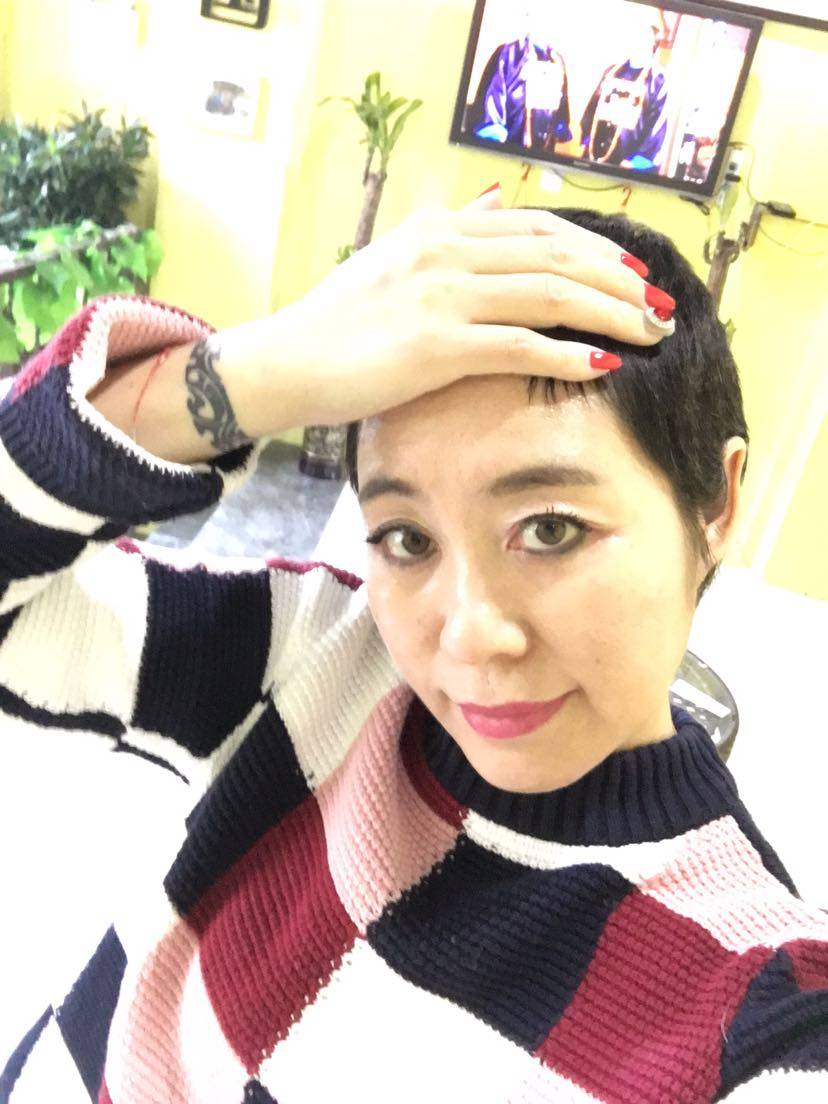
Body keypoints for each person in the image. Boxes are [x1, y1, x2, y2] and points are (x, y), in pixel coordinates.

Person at [1, 186, 826, 1103]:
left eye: (550, 528)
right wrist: (254, 371)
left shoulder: (758, 1010)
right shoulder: (318, 660)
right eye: (407, 537)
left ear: (717, 504)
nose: (469, 635)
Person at [468, 1, 572, 152]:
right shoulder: (507, 55)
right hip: (505, 154)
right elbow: (491, 115)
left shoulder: (557, 61)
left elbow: (560, 121)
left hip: (541, 158)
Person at [579, 8, 669, 171]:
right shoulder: (612, 71)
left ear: (653, 41)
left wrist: (635, 162)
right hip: (594, 154)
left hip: (625, 164)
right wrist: (587, 139)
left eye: (644, 36)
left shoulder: (658, 81)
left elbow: (658, 125)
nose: (638, 41)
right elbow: (593, 107)